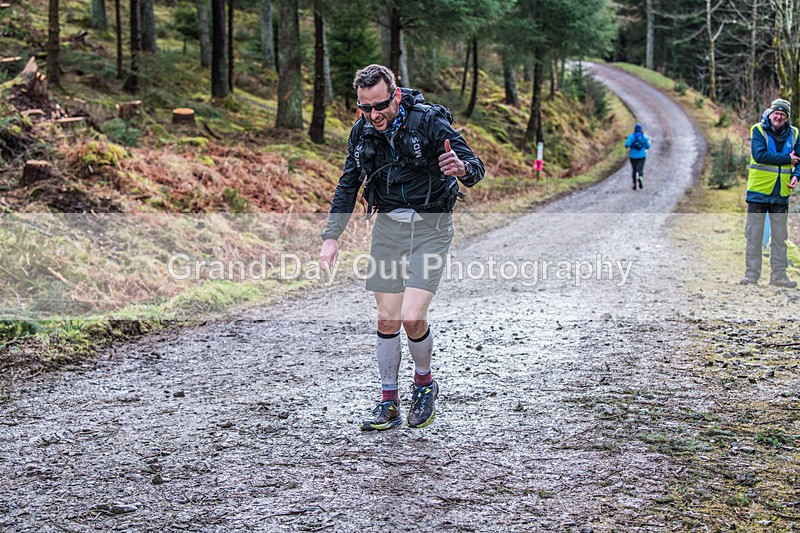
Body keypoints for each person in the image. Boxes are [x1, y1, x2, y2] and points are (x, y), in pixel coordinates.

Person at [319, 64, 485, 430]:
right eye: (365, 108)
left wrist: (460, 168)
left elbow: (475, 166)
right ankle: (388, 400)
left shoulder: (429, 123)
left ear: (395, 95)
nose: (373, 115)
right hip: (389, 228)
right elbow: (349, 183)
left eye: (379, 106)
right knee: (386, 318)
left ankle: (424, 385)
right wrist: (332, 237)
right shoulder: (362, 132)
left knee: (412, 316)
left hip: (431, 225)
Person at [741, 98, 800, 288]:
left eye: (783, 114)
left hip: (781, 193)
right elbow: (760, 155)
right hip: (758, 192)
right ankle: (751, 276)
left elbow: (798, 160)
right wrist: (786, 159)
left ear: (787, 117)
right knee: (754, 236)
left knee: (780, 237)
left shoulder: (795, 133)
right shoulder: (758, 130)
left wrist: (796, 176)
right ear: (770, 113)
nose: (779, 116)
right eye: (777, 112)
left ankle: (779, 277)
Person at [624, 123, 651, 190]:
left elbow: (627, 145)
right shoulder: (643, 137)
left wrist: (630, 145)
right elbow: (648, 146)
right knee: (640, 169)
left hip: (633, 156)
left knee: (634, 170)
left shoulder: (631, 136)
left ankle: (634, 184)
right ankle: (640, 178)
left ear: (635, 129)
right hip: (642, 156)